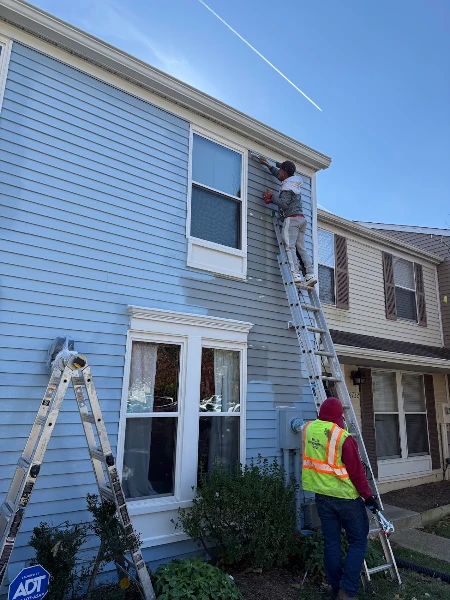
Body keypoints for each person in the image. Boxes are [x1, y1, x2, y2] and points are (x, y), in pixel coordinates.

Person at [302, 397, 380, 600]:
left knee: (331, 542)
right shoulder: (343, 438)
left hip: (322, 497)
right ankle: (347, 590)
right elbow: (357, 473)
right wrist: (368, 497)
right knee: (358, 540)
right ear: (339, 416)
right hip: (346, 499)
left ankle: (336, 587)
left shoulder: (308, 429)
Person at [259, 156, 317, 286]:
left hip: (291, 220)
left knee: (289, 247)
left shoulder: (287, 188)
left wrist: (272, 196)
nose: (278, 172)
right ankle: (310, 274)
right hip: (301, 220)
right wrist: (268, 165)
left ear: (284, 172)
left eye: (280, 170)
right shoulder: (293, 182)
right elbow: (278, 175)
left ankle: (294, 273)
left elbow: (284, 204)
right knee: (301, 248)